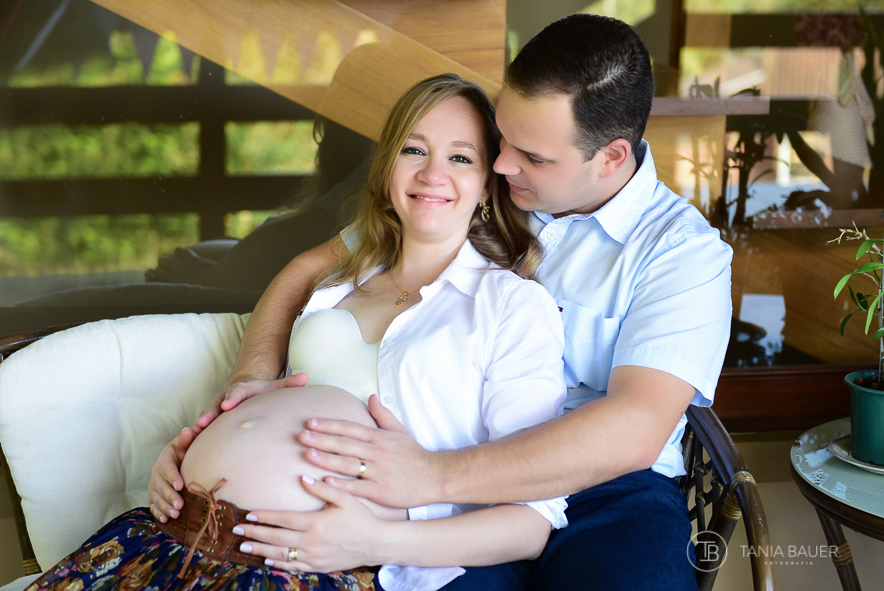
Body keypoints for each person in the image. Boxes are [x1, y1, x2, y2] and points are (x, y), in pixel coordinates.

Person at [156, 14, 733, 590]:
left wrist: (430, 477)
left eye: (532, 156)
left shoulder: (681, 252)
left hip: (608, 492)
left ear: (609, 158)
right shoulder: (468, 189)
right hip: (450, 467)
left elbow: (631, 429)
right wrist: (251, 379)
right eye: (501, 140)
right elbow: (311, 268)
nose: (503, 163)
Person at [27, 74, 569, 591]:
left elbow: (531, 521)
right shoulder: (337, 282)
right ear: (386, 167)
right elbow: (278, 402)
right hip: (175, 536)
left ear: (485, 184)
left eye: (460, 157)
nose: (432, 173)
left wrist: (379, 537)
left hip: (321, 569)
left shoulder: (513, 306)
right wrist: (191, 454)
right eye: (413, 149)